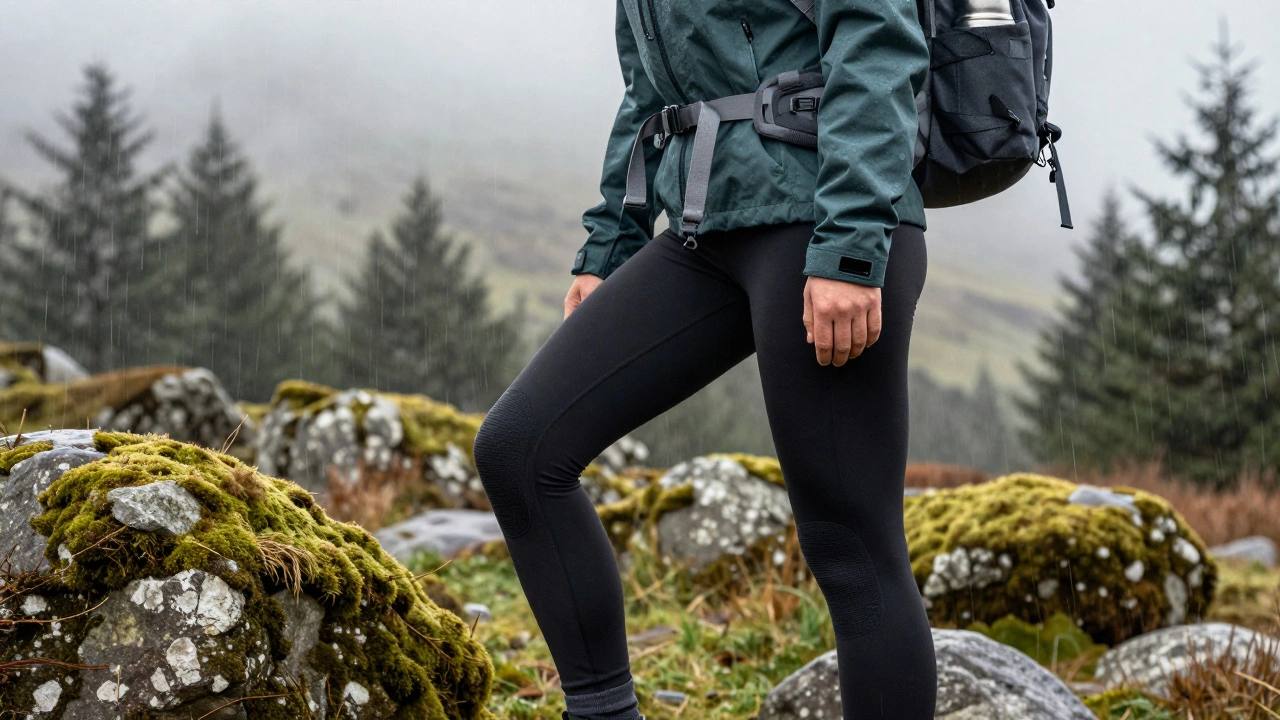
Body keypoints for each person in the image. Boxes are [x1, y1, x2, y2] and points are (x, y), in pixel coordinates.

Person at [473, 1, 936, 718]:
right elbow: (651, 87)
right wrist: (612, 243)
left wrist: (849, 245)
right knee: (519, 448)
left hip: (821, 214)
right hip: (705, 226)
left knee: (851, 547)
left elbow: (876, 34)